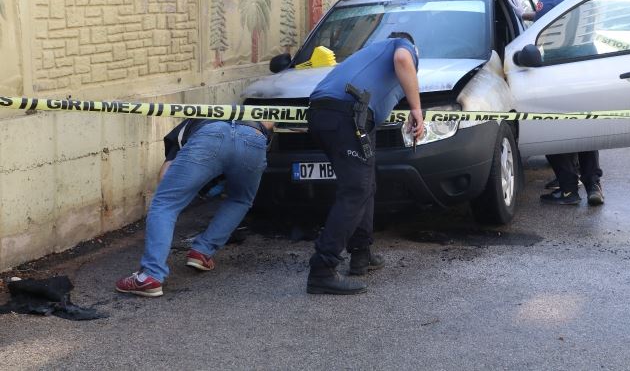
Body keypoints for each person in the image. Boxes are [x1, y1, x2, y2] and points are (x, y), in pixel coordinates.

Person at [306, 32, 423, 295]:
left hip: (327, 114)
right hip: (345, 114)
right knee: (356, 190)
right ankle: (322, 269)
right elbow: (403, 59)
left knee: (365, 184)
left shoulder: (368, 56)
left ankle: (361, 253)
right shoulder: (402, 46)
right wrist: (417, 109)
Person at [115, 118, 271, 297]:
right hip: (254, 137)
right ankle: (202, 252)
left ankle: (150, 276)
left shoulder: (188, 126)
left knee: (165, 203)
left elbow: (166, 173)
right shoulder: (249, 114)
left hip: (210, 136)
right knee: (240, 199)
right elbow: (269, 123)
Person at [528, 0, 604, 207]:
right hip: (589, 67)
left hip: (559, 70)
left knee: (553, 130)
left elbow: (535, 35)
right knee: (587, 128)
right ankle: (593, 184)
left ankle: (569, 190)